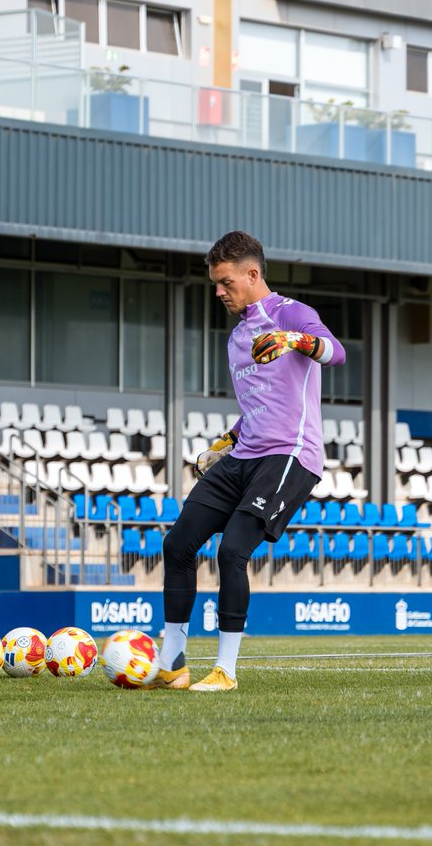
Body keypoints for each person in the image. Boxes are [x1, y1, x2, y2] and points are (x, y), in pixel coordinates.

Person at [155, 230, 345, 692]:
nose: (218, 291)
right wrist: (226, 440)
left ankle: (226, 671)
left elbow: (335, 352)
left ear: (252, 273)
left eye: (225, 282)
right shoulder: (238, 336)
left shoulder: (292, 313)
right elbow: (260, 405)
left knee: (232, 551)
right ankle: (172, 664)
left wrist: (293, 340)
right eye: (215, 283)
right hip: (243, 455)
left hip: (290, 455)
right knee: (177, 545)